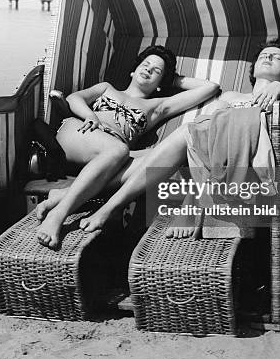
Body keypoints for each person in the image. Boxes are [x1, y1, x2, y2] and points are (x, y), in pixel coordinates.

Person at [77, 37, 280, 239]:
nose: (268, 57)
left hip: (241, 159)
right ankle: (89, 198)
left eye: (278, 57)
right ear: (253, 70)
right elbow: (211, 123)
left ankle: (100, 202)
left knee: (190, 130)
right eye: (264, 55)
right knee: (185, 136)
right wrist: (167, 77)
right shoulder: (230, 97)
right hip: (207, 150)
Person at [36, 45, 220, 248]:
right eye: (145, 64)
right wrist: (90, 115)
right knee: (118, 150)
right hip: (79, 132)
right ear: (133, 70)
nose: (149, 69)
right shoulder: (107, 88)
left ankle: (65, 193)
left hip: (112, 157)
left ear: (160, 83)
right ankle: (58, 214)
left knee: (161, 156)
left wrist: (173, 79)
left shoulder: (156, 107)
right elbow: (73, 98)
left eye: (156, 71)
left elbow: (210, 87)